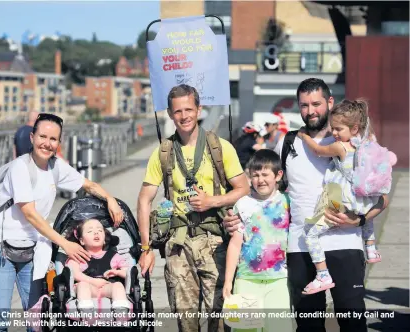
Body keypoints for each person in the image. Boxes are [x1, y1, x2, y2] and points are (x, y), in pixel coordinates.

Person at [222, 78, 387, 332]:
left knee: (353, 324)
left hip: (346, 245)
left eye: (316, 104)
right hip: (300, 248)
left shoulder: (358, 144)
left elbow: (382, 195)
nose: (310, 111)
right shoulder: (288, 143)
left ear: (330, 102)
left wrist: (361, 220)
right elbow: (260, 183)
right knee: (308, 327)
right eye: (304, 105)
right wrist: (235, 214)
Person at [0, 113, 124, 331]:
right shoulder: (19, 168)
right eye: (42, 137)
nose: (47, 143)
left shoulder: (56, 167)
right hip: (1, 249)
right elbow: (30, 213)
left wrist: (110, 199)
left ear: (59, 143)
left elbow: (88, 185)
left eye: (53, 139)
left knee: (37, 323)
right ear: (32, 137)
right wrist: (65, 244)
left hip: (33, 251)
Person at [137, 84, 249, 332]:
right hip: (179, 245)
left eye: (189, 109)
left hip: (215, 242)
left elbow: (243, 188)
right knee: (185, 321)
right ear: (169, 113)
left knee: (220, 319)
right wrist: (146, 248)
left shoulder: (220, 147)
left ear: (199, 109)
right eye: (178, 111)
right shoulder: (163, 152)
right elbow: (144, 199)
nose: (184, 116)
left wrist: (212, 201)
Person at [297, 99, 390, 295]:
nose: (334, 133)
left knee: (310, 233)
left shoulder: (340, 147)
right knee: (366, 217)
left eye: (338, 128)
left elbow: (317, 150)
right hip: (363, 199)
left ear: (354, 128)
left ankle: (322, 275)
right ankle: (371, 248)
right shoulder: (368, 144)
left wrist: (304, 136)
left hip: (342, 203)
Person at [223, 149, 292, 332]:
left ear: (278, 175)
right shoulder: (243, 204)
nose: (260, 180)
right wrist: (228, 281)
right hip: (246, 280)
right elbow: (235, 243)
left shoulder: (288, 202)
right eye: (255, 175)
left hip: (279, 281)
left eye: (265, 174)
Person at [66, 219, 131, 315]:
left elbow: (128, 272)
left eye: (100, 230)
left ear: (104, 239)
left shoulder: (114, 256)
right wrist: (94, 281)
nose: (96, 232)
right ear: (82, 240)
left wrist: (117, 272)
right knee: (82, 286)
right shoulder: (77, 256)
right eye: (90, 231)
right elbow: (74, 273)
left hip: (106, 286)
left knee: (118, 286)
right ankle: (86, 313)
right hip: (87, 287)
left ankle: (121, 313)